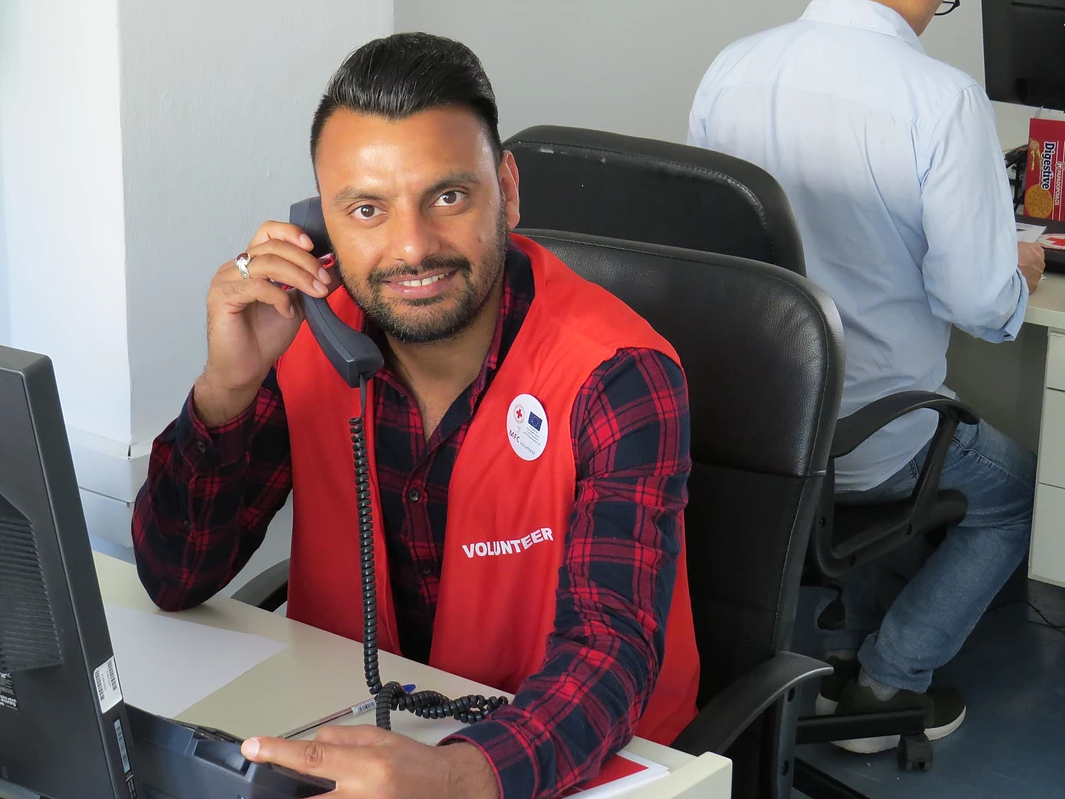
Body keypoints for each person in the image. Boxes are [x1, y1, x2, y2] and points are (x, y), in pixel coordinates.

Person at [132, 32, 699, 799]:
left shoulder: (619, 374)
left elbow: (609, 646)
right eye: (366, 209)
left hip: (588, 764)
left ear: (507, 187)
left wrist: (461, 775)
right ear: (321, 223)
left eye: (449, 196)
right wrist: (225, 390)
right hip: (366, 732)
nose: (412, 246)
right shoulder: (305, 337)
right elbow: (175, 577)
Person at [688, 0, 1045, 753]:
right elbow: (975, 302)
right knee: (1015, 497)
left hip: (750, 425)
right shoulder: (940, 99)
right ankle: (891, 681)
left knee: (877, 476)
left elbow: (719, 246)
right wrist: (1015, 270)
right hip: (872, 436)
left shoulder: (733, 66)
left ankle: (832, 648)